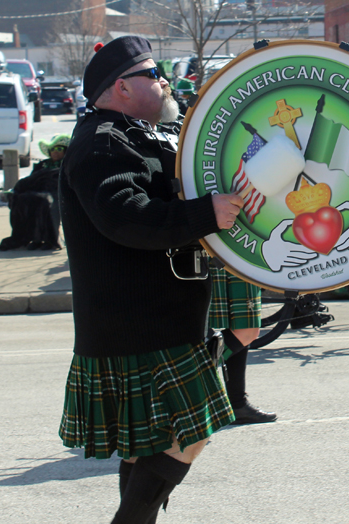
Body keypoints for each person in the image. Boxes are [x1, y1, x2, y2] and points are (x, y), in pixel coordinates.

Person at [58, 36, 243, 524]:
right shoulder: (101, 143)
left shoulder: (132, 134)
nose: (164, 82)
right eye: (153, 74)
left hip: (159, 317)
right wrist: (206, 213)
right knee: (191, 434)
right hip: (139, 321)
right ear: (121, 86)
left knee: (149, 444)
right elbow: (126, 217)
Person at [208, 266, 277, 424]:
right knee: (246, 331)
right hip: (236, 253)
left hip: (233, 254)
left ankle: (236, 403)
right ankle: (185, 386)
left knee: (240, 327)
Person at [0, 133, 69, 251]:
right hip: (38, 192)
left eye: (59, 148)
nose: (55, 152)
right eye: (53, 149)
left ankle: (50, 240)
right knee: (22, 199)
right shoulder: (43, 165)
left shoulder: (67, 165)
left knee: (45, 202)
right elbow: (31, 180)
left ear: (65, 151)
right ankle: (34, 238)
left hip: (57, 194)